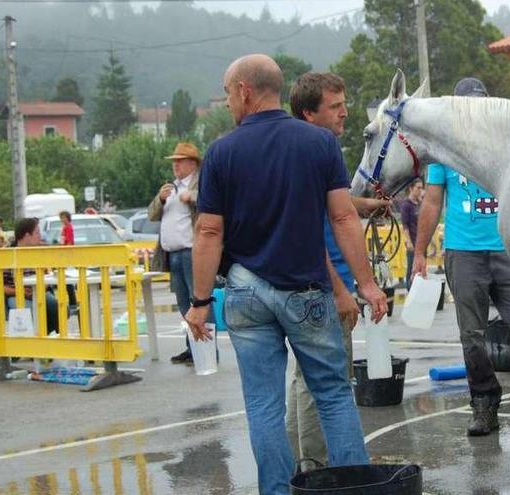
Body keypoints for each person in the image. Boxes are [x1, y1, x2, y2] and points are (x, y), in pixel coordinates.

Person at [183, 54, 388, 495]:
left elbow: (208, 230)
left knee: (263, 406)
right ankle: (356, 489)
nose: (226, 104)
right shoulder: (319, 144)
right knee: (333, 395)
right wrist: (367, 284)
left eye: (226, 94)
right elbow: (344, 219)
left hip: (246, 294)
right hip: (307, 293)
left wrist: (200, 303)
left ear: (244, 91)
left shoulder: (221, 152)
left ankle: (277, 491)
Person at [411, 77, 510, 436]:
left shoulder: (508, 143)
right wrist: (418, 253)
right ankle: (484, 403)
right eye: (469, 105)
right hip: (463, 252)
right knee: (472, 337)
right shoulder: (444, 152)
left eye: (481, 103)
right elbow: (432, 201)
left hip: (507, 249)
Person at [285, 71, 388, 470]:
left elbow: (335, 204)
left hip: (305, 286)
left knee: (302, 381)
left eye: (345, 103)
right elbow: (310, 227)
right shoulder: (319, 147)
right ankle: (318, 468)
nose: (345, 113)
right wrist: (345, 290)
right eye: (335, 106)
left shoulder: (298, 148)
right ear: (309, 113)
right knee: (326, 385)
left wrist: (366, 206)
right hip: (324, 286)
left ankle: (301, 461)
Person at [148, 141, 202, 365]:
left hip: (192, 251)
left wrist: (193, 197)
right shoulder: (170, 188)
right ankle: (191, 347)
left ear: (192, 163)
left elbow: (215, 205)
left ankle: (205, 350)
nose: (175, 166)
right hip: (174, 254)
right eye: (174, 162)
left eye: (179, 162)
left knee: (198, 302)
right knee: (183, 304)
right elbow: (151, 214)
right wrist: (160, 199)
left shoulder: (201, 183)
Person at [0, 218, 60, 334]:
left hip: (38, 292)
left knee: (55, 305)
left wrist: (41, 288)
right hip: (14, 294)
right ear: (27, 235)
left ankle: (51, 337)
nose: (40, 236)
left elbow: (46, 276)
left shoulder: (39, 252)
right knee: (30, 310)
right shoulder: (5, 254)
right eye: (37, 233)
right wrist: (21, 292)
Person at [399, 178, 424, 289]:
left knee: (422, 269)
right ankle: (410, 290)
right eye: (418, 188)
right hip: (413, 242)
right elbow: (405, 225)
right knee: (412, 268)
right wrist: (408, 241)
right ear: (411, 188)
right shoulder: (406, 205)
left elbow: (424, 224)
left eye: (421, 188)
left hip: (422, 243)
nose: (420, 190)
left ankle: (419, 292)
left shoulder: (420, 204)